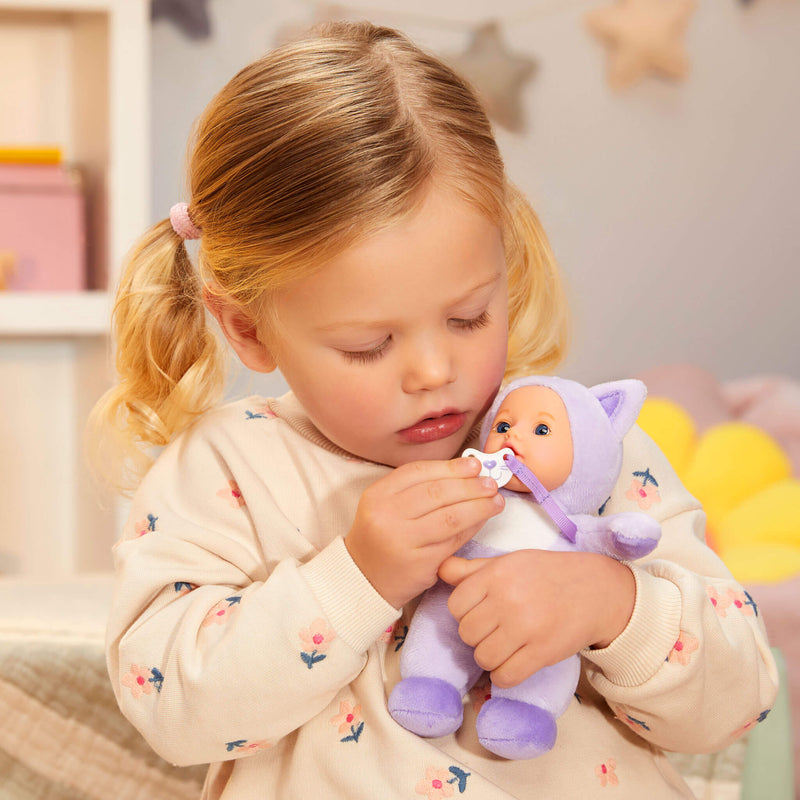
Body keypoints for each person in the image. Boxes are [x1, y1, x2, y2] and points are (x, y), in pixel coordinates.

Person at [92, 21, 777, 799]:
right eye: (366, 345)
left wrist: (612, 606)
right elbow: (172, 708)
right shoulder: (227, 471)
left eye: (467, 319)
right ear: (249, 328)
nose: (432, 372)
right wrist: (355, 579)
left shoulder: (579, 446)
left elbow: (738, 699)